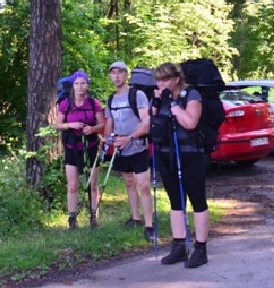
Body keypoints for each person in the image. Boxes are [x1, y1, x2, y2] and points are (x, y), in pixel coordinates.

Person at [152, 62, 209, 268]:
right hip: (166, 155)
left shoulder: (191, 95)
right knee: (175, 201)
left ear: (176, 79)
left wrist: (173, 104)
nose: (161, 84)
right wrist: (156, 103)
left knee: (197, 201)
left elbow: (190, 123)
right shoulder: (159, 98)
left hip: (191, 154)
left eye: (165, 79)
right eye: (159, 80)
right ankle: (179, 247)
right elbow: (151, 124)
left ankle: (200, 249)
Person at [104, 62, 154, 242]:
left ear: (126, 75)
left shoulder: (137, 95)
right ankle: (135, 218)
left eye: (120, 73)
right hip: (121, 149)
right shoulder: (110, 99)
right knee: (129, 183)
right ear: (110, 76)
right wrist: (108, 140)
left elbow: (146, 122)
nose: (116, 76)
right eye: (113, 73)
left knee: (144, 186)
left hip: (138, 146)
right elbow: (109, 123)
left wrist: (130, 138)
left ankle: (149, 225)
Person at [55, 70, 105, 228]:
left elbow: (102, 125)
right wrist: (71, 125)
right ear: (72, 86)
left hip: (90, 146)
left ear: (87, 85)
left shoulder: (94, 103)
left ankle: (94, 217)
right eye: (77, 83)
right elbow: (57, 125)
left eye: (83, 83)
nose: (80, 86)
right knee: (72, 185)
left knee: (93, 184)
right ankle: (72, 219)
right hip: (72, 148)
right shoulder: (65, 104)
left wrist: (92, 129)